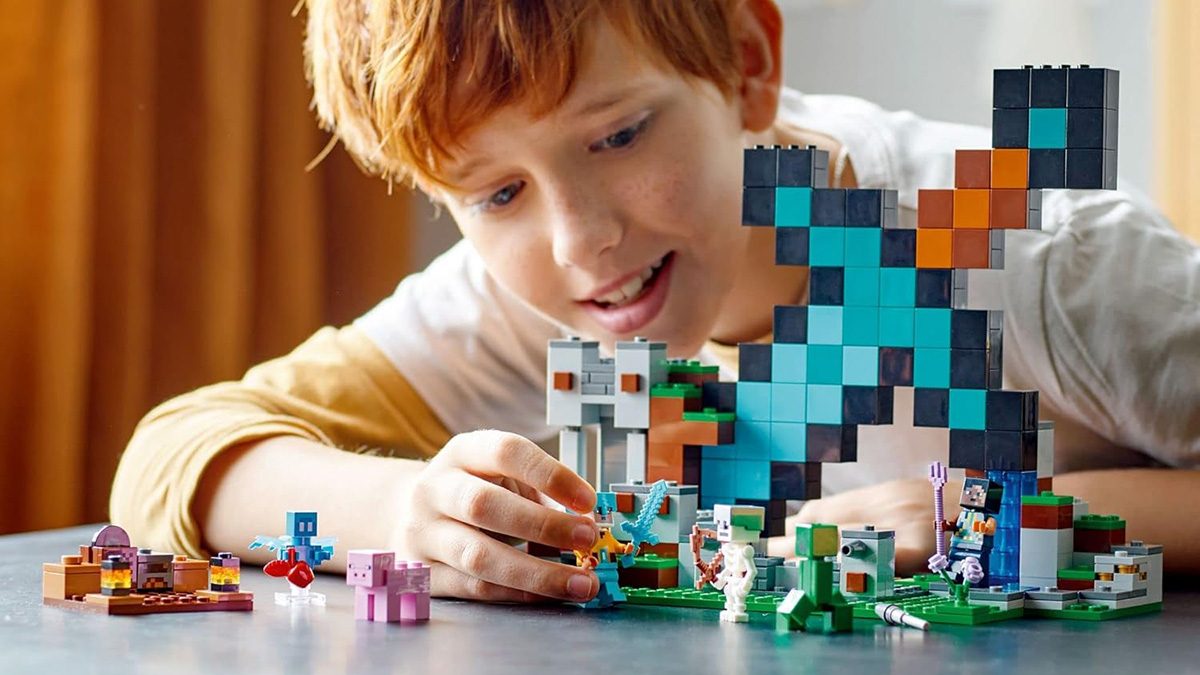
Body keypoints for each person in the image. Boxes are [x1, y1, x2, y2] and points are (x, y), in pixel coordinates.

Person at [110, 0, 1200, 604]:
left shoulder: (1040, 256)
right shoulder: (539, 293)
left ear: (746, 62)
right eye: (495, 192)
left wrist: (993, 523)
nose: (581, 238)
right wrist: (408, 514)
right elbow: (176, 453)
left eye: (620, 136)